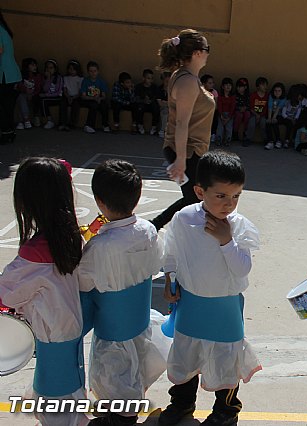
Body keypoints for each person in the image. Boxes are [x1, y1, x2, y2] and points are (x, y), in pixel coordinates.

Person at [159, 151, 261, 426]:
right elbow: (171, 253)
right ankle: (181, 404)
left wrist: (226, 240)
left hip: (224, 308)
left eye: (236, 196)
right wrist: (169, 278)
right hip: (191, 304)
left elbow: (242, 269)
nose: (229, 204)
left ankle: (226, 411)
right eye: (221, 196)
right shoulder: (183, 219)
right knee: (186, 355)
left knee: (227, 359)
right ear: (199, 191)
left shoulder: (238, 226)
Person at [78, 160, 167, 426]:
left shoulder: (101, 246)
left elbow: (83, 282)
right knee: (134, 370)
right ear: (137, 199)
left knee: (113, 376)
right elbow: (155, 265)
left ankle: (119, 418)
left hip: (113, 329)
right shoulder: (148, 230)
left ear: (99, 201)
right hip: (140, 321)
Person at [0, 157, 87, 426]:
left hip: (50, 343)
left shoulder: (34, 254)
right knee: (71, 406)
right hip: (71, 338)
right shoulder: (74, 237)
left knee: (55, 410)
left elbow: (7, 295)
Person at [150, 29, 215, 231]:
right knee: (195, 198)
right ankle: (154, 227)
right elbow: (181, 123)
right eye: (207, 49)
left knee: (194, 198)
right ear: (196, 53)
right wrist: (180, 159)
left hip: (192, 149)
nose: (208, 54)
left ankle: (155, 226)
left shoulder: (187, 77)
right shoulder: (187, 81)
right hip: (187, 150)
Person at [0, 10, 20, 144]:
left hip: (4, 75)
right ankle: (9, 132)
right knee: (7, 106)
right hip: (12, 74)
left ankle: (6, 133)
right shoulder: (4, 28)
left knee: (3, 106)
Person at [73, 61, 110, 134]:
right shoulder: (85, 81)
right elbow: (83, 96)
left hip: (97, 99)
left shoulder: (101, 81)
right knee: (94, 105)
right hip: (87, 99)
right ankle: (89, 125)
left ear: (98, 71)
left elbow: (104, 96)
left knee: (104, 105)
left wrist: (99, 98)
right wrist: (93, 98)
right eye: (91, 71)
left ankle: (105, 124)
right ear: (88, 72)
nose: (93, 73)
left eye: (95, 71)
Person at [16, 57, 43, 129]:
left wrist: (32, 94)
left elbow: (38, 88)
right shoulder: (21, 75)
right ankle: (26, 119)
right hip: (23, 95)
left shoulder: (37, 76)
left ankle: (21, 121)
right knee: (21, 97)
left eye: (35, 65)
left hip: (33, 95)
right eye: (32, 65)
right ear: (26, 66)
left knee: (22, 99)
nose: (35, 67)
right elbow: (20, 86)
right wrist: (26, 91)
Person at [134, 69, 161, 135]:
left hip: (151, 104)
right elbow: (136, 98)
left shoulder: (154, 87)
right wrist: (143, 101)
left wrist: (151, 101)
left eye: (152, 78)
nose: (150, 80)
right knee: (139, 107)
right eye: (148, 78)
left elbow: (156, 97)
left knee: (156, 107)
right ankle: (140, 125)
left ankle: (154, 127)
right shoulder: (138, 87)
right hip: (142, 104)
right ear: (143, 78)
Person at [40, 59, 64, 130]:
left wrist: (46, 95)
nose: (49, 70)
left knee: (43, 100)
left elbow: (58, 92)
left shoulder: (59, 78)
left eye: (51, 68)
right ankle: (49, 120)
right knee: (42, 100)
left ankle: (50, 121)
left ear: (55, 69)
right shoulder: (45, 78)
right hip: (49, 97)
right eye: (47, 68)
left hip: (57, 97)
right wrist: (48, 78)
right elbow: (45, 89)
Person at [59, 60, 83, 131]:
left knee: (75, 105)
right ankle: (62, 123)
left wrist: (73, 97)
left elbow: (80, 92)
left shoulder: (80, 79)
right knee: (62, 103)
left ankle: (72, 124)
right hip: (67, 96)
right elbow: (65, 89)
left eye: (74, 69)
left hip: (76, 96)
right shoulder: (66, 78)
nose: (71, 71)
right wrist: (68, 97)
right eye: (70, 69)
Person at [246, 76, 269, 147]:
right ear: (258, 86)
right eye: (263, 85)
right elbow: (251, 107)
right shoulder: (253, 95)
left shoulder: (267, 96)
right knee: (251, 123)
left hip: (262, 115)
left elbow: (266, 108)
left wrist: (260, 115)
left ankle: (265, 139)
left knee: (263, 123)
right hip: (254, 114)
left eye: (266, 85)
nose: (265, 87)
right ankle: (247, 139)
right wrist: (256, 115)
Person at [265, 82, 287, 149]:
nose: (277, 92)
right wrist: (269, 118)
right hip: (271, 113)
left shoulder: (284, 98)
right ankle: (270, 141)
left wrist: (273, 118)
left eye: (279, 91)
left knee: (275, 122)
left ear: (282, 91)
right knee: (268, 123)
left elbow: (278, 108)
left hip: (280, 114)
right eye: (275, 90)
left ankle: (278, 141)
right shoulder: (271, 96)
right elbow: (270, 107)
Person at [216, 77, 236, 146]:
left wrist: (229, 117)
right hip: (221, 114)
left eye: (230, 85)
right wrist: (221, 115)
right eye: (226, 85)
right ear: (222, 86)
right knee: (220, 127)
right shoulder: (220, 96)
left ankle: (228, 140)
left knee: (229, 128)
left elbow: (232, 107)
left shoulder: (232, 97)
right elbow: (219, 106)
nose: (228, 86)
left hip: (230, 115)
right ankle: (218, 139)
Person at [233, 77, 250, 142]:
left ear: (245, 87)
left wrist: (245, 108)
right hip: (237, 111)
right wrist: (239, 108)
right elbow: (234, 105)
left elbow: (249, 105)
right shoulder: (235, 95)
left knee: (247, 114)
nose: (238, 88)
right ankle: (235, 132)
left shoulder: (247, 96)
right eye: (237, 87)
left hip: (245, 111)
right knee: (239, 115)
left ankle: (245, 132)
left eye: (240, 87)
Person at [157, 71, 171, 139]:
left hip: (172, 108)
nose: (168, 83)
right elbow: (160, 103)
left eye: (170, 81)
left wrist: (166, 102)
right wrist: (169, 103)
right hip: (163, 108)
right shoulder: (159, 89)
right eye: (166, 81)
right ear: (162, 81)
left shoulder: (174, 89)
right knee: (165, 112)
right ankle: (162, 130)